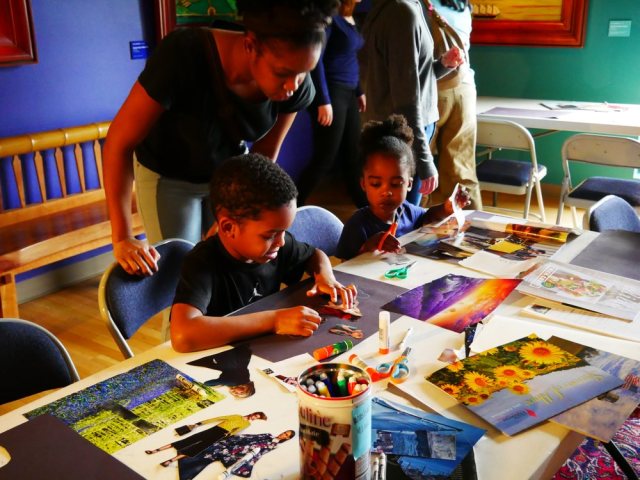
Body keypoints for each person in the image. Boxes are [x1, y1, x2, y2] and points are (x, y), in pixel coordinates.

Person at [103, 0, 340, 277]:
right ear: (250, 45)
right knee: (182, 275)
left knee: (228, 268)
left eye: (303, 73)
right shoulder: (182, 54)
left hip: (230, 177)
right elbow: (119, 143)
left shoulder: (295, 83)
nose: (293, 86)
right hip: (169, 177)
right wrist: (122, 237)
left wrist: (235, 210)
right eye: (282, 73)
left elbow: (264, 153)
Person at [170, 153, 357, 352]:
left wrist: (325, 277)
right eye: (270, 235)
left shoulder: (274, 247)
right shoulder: (202, 262)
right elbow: (183, 335)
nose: (281, 242)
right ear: (228, 227)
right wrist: (275, 320)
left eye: (284, 231)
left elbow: (314, 255)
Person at [360, 0, 464, 207]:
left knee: (401, 215)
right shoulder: (401, 12)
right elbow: (405, 98)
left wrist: (442, 65)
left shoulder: (405, 7)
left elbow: (408, 77)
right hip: (404, 134)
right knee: (404, 217)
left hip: (402, 131)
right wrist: (424, 161)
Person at [336, 114, 470, 260]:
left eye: (395, 184)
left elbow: (428, 216)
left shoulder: (408, 212)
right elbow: (344, 266)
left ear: (409, 184)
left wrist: (447, 208)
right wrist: (368, 247)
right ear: (364, 184)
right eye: (376, 184)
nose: (386, 192)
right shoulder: (357, 225)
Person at [295, 0, 367, 207]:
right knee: (325, 158)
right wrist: (323, 100)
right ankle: (291, 205)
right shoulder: (330, 19)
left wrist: (359, 91)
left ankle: (366, 210)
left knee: (353, 155)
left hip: (349, 93)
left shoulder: (352, 19)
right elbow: (317, 60)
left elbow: (350, 58)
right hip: (332, 93)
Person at [424, 0, 482, 210]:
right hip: (465, 88)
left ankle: (418, 223)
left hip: (434, 88)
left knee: (421, 168)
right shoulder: (464, 6)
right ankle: (472, 223)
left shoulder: (424, 5)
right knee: (462, 169)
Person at [145, 411, 267, 467]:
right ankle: (155, 450)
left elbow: (235, 432)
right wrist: (200, 423)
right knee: (188, 440)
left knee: (197, 448)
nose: (254, 418)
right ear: (252, 413)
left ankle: (169, 461)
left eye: (257, 418)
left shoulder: (247, 424)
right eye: (255, 415)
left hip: (220, 435)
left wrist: (227, 436)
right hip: (214, 429)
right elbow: (218, 417)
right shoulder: (236, 416)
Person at [178, 430, 296, 480]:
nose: (283, 434)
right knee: (212, 452)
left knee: (228, 460)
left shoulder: (275, 445)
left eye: (286, 435)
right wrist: (237, 438)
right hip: (240, 446)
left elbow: (262, 451)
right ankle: (187, 469)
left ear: (287, 438)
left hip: (245, 454)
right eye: (285, 432)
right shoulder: (268, 435)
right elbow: (252, 437)